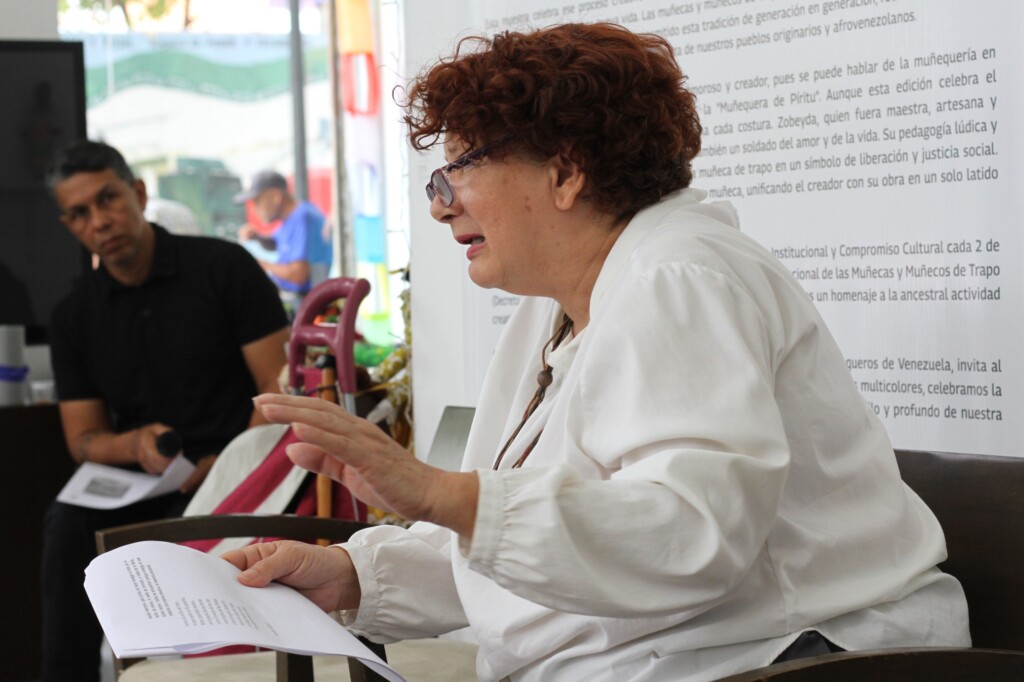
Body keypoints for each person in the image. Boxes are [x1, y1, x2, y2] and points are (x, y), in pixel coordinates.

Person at [224, 23, 970, 682]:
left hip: (791, 659)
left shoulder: (679, 276)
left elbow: (691, 536)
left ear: (565, 171)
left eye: (462, 168)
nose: (440, 204)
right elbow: (536, 554)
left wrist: (440, 493)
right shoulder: (555, 310)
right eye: (437, 178)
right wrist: (352, 575)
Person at [41, 140, 290, 682]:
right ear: (68, 224)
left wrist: (227, 465)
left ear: (137, 192)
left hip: (235, 472)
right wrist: (134, 444)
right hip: (146, 484)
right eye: (79, 213)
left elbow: (277, 385)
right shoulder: (73, 315)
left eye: (108, 199)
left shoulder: (224, 267)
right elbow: (83, 439)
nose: (99, 221)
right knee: (66, 523)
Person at [233, 169, 333, 314]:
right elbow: (277, 244)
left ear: (276, 196)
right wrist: (258, 237)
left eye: (257, 202)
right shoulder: (291, 218)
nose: (254, 210)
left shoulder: (303, 217)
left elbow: (298, 275)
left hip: (307, 305)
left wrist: (257, 263)